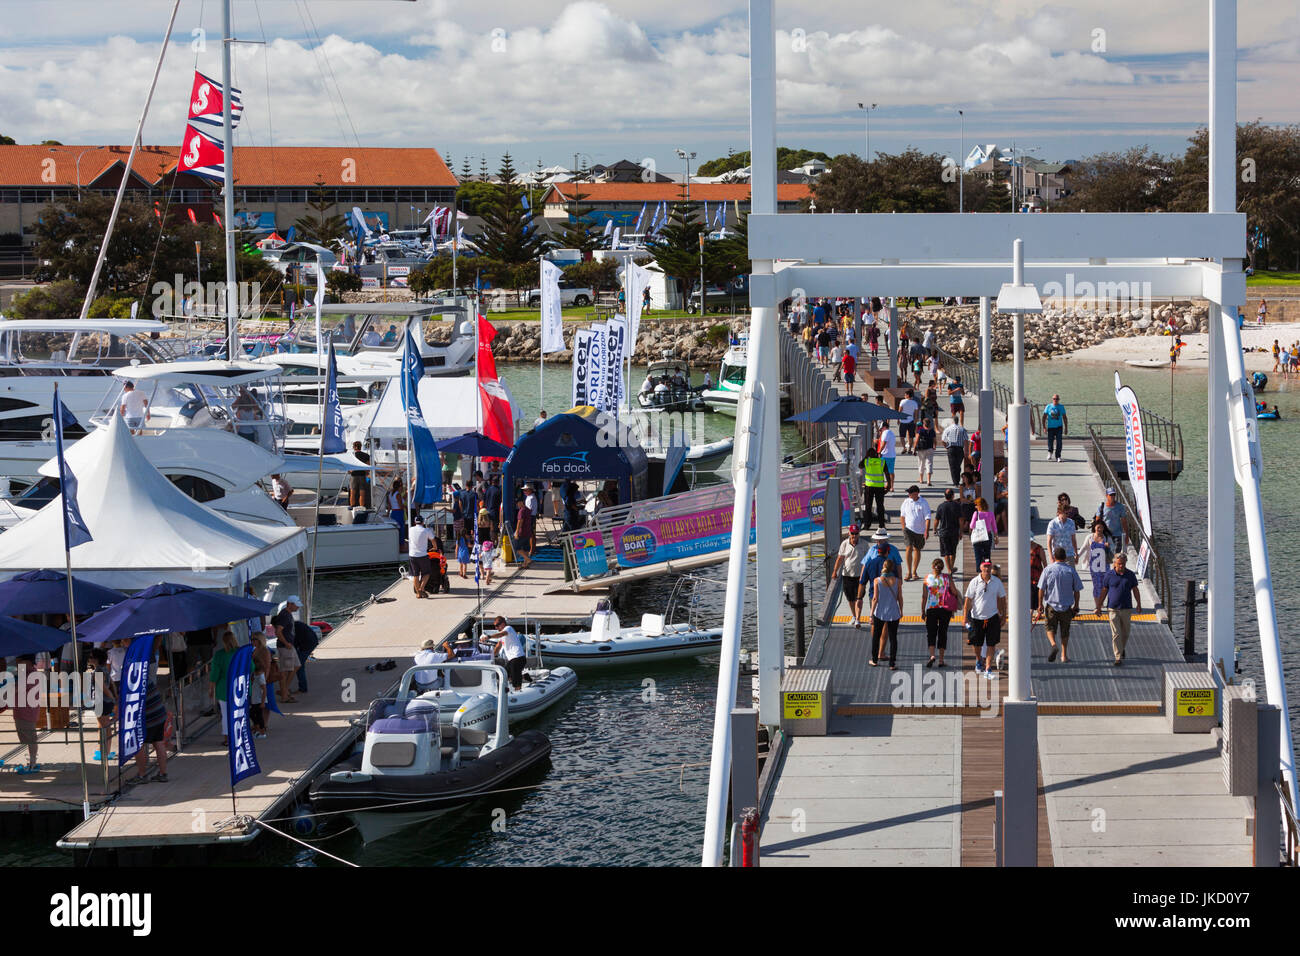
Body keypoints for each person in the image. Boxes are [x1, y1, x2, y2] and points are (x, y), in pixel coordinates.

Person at [1037, 546, 1083, 663]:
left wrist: (1040, 604)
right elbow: (1077, 590)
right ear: (1064, 557)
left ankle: (1053, 644)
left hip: (1052, 605)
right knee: (1065, 631)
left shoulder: (1048, 570)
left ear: (1054, 556)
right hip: (1066, 606)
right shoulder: (1071, 570)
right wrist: (1076, 605)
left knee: (1049, 627)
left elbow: (1041, 588)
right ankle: (1064, 655)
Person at [963, 560, 1007, 677]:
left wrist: (1004, 616)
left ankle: (988, 668)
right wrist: (965, 618)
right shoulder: (974, 582)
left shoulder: (996, 582)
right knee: (977, 643)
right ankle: (978, 660)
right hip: (976, 617)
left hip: (992, 616)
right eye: (985, 567)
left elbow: (1003, 599)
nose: (987, 569)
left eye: (988, 567)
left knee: (991, 643)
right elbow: (968, 600)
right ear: (980, 568)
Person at [1099, 552, 1142, 666]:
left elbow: (1135, 590)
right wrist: (1099, 606)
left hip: (1126, 608)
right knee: (1116, 633)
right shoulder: (1109, 575)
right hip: (1112, 608)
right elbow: (1104, 590)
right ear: (1114, 564)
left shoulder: (1130, 575)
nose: (1121, 566)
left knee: (1126, 632)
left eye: (1123, 564)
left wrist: (1139, 604)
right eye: (1119, 564)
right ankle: (1118, 657)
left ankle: (1121, 648)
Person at [921, 558, 960, 668]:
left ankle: (932, 656)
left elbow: (924, 597)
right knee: (943, 632)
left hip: (931, 608)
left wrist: (922, 611)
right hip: (945, 609)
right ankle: (941, 660)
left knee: (931, 633)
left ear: (932, 566)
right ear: (942, 567)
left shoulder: (927, 579)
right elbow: (954, 592)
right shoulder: (947, 578)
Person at [830, 524, 870, 627]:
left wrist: (868, 573)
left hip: (860, 576)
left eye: (856, 534)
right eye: (852, 533)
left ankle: (858, 619)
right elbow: (840, 558)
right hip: (847, 575)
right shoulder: (844, 544)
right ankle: (854, 616)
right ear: (849, 533)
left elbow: (868, 561)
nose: (854, 536)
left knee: (859, 597)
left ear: (859, 534)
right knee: (850, 598)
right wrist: (835, 571)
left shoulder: (864, 544)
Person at [868, 559, 904, 669]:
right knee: (893, 638)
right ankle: (892, 664)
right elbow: (899, 597)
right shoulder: (897, 581)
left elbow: (875, 599)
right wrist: (901, 610)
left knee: (876, 637)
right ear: (892, 568)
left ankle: (874, 660)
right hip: (893, 612)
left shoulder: (877, 580)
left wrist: (871, 614)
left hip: (879, 612)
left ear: (883, 567)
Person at [208, 630, 238, 745]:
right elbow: (250, 668)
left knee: (226, 715)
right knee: (239, 712)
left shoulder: (219, 655)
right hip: (239, 688)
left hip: (223, 688)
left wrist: (211, 689)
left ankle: (227, 739)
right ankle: (238, 736)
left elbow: (214, 675)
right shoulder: (240, 653)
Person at [899, 485, 931, 581]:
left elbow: (927, 517)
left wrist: (926, 530)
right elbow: (902, 515)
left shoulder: (924, 503)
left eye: (910, 493)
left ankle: (914, 571)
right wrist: (903, 527)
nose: (908, 494)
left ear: (916, 493)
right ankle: (908, 572)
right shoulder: (906, 502)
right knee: (908, 547)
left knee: (917, 549)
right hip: (908, 529)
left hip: (920, 530)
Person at [862, 530, 903, 604]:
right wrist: (862, 579)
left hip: (890, 584)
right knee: (874, 604)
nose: (878, 542)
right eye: (877, 540)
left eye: (881, 540)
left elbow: (898, 565)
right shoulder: (872, 550)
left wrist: (900, 578)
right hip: (875, 585)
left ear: (885, 539)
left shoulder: (894, 549)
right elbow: (865, 565)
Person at [487, 616, 527, 691]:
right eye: (495, 626)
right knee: (503, 675)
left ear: (503, 623)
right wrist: (490, 656)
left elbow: (501, 634)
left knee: (516, 681)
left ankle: (517, 694)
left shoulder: (508, 628)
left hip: (518, 658)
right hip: (512, 660)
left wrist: (489, 636)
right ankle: (523, 677)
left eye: (497, 625)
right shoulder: (502, 636)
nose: (496, 628)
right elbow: (498, 647)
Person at [272, 597, 300, 702]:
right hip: (285, 646)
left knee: (297, 666)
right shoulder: (284, 615)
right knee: (284, 671)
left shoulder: (287, 614)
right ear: (289, 604)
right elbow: (278, 632)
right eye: (296, 605)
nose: (298, 607)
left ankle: (284, 690)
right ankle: (284, 695)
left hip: (289, 645)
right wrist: (286, 643)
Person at [1084, 521, 1113, 613]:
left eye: (1101, 527)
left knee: (1105, 585)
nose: (1100, 529)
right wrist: (1077, 556)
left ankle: (1102, 602)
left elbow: (1113, 549)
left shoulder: (1107, 538)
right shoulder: (1090, 537)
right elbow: (1084, 547)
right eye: (1098, 527)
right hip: (1094, 566)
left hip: (1105, 565)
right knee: (1096, 586)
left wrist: (1108, 546)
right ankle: (1097, 605)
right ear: (1094, 528)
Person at [933, 488, 963, 573]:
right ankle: (951, 567)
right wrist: (961, 531)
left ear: (945, 496)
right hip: (954, 532)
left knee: (946, 552)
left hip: (943, 532)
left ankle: (949, 569)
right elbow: (960, 520)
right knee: (953, 552)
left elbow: (936, 520)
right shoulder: (957, 506)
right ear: (953, 496)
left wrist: (935, 529)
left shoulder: (941, 506)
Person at [860, 446, 888, 530]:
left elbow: (860, 466)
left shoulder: (867, 461)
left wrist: (866, 456)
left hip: (869, 487)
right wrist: (889, 485)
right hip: (879, 487)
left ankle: (867, 525)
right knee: (880, 506)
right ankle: (881, 525)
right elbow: (887, 473)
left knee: (868, 506)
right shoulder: (882, 461)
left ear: (868, 454)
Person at [1096, 487, 1128, 554]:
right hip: (1105, 535)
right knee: (1105, 554)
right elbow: (1097, 521)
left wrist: (1126, 536)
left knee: (1116, 554)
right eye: (1111, 495)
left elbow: (1124, 522)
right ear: (1106, 495)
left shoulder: (1121, 507)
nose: (1112, 497)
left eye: (1114, 495)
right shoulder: (1101, 507)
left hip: (1117, 535)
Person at [408, 514, 433, 598]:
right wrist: (435, 547)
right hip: (422, 555)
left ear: (415, 522)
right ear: (422, 522)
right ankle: (421, 589)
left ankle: (418, 594)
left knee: (415, 575)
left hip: (412, 555)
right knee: (427, 573)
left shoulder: (410, 530)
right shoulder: (426, 530)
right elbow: (433, 540)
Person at [969, 497, 997, 567]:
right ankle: (987, 569)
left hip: (978, 536)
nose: (975, 506)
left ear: (979, 505)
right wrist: (996, 537)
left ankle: (980, 571)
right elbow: (994, 527)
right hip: (988, 536)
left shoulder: (976, 513)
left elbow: (971, 526)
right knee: (987, 555)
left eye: (976, 505)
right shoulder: (990, 514)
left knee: (978, 556)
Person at [942, 417, 969, 487]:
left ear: (952, 421)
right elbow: (966, 440)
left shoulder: (947, 429)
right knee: (958, 465)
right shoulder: (962, 429)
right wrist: (966, 450)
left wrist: (946, 448)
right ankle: (956, 480)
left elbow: (943, 440)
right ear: (958, 421)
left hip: (951, 449)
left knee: (953, 466)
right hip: (960, 449)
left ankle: (955, 481)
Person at [1042, 393, 1067, 462]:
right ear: (1052, 399)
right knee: (1050, 441)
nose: (1055, 400)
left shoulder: (1061, 407)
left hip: (1059, 427)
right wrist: (1044, 427)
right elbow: (1044, 417)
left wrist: (1066, 428)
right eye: (1054, 399)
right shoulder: (1048, 406)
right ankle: (1050, 452)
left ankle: (1058, 456)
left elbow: (1065, 417)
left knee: (1059, 442)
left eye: (1057, 399)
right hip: (1050, 427)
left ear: (1059, 400)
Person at [515, 492, 535, 571]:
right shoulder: (528, 510)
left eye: (517, 503)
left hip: (522, 532)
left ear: (521, 502)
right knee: (526, 548)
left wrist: (517, 532)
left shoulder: (521, 511)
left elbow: (520, 521)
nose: (517, 505)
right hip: (528, 531)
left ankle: (528, 559)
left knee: (517, 548)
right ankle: (525, 564)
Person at [349, 441, 372, 508]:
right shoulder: (366, 455)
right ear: (360, 447)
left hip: (354, 475)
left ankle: (352, 506)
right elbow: (368, 465)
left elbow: (349, 467)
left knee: (352, 492)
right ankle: (361, 506)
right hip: (362, 475)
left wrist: (350, 471)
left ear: (354, 447)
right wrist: (366, 472)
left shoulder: (352, 455)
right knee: (362, 493)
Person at [914, 417, 936, 485]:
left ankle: (921, 479)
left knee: (921, 463)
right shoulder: (932, 431)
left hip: (921, 449)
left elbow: (916, 440)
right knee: (929, 464)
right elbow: (935, 440)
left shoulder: (921, 431)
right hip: (930, 448)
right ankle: (929, 480)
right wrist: (934, 446)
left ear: (923, 424)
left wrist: (914, 449)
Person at [876, 420, 897, 493]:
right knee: (891, 471)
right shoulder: (891, 433)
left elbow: (883, 443)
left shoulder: (886, 432)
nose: (880, 429)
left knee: (882, 471)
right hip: (891, 455)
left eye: (881, 428)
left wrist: (879, 452)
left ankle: (884, 485)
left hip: (885, 455)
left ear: (884, 427)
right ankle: (891, 486)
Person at [897, 388, 919, 453]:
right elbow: (916, 413)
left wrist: (898, 419)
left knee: (902, 436)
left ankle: (904, 448)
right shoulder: (915, 403)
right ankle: (909, 449)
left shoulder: (902, 401)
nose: (904, 395)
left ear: (907, 395)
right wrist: (915, 421)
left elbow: (899, 411)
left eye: (905, 394)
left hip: (903, 421)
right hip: (911, 421)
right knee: (911, 436)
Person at [388, 476, 407, 549]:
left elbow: (389, 505)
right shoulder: (397, 494)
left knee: (395, 529)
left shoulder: (390, 494)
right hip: (399, 513)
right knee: (401, 529)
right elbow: (400, 506)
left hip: (393, 512)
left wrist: (387, 513)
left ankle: (396, 544)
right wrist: (405, 506)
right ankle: (401, 546)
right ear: (399, 486)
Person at [1029, 536, 1047, 611]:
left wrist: (1046, 575)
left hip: (1036, 576)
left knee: (1035, 595)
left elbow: (1044, 563)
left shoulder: (1039, 549)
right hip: (1026, 576)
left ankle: (1034, 612)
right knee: (1029, 596)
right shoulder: (1022, 547)